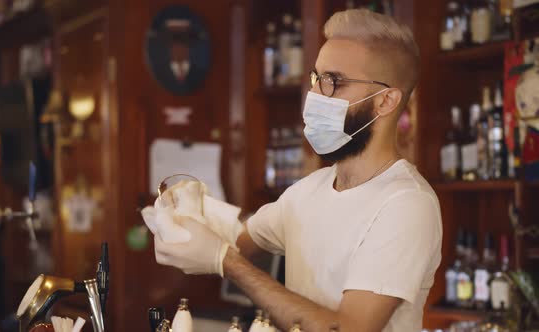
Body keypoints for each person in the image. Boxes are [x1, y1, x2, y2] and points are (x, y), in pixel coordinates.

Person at [151, 9, 442, 332]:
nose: (314, 95)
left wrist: (226, 262)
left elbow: (347, 330)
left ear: (385, 101)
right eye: (316, 78)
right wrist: (191, 209)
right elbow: (240, 238)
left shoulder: (406, 205)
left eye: (333, 81)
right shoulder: (311, 189)